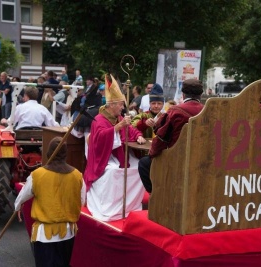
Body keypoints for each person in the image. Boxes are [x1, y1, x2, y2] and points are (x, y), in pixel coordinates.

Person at [15, 136, 86, 267]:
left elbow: (22, 197)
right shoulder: (77, 176)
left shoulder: (37, 175)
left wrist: (18, 207)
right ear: (65, 154)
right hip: (67, 233)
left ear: (49, 153)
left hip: (44, 235)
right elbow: (81, 201)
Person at [84, 74, 146, 221]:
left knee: (139, 168)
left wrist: (137, 135)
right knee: (113, 172)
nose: (123, 108)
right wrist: (117, 127)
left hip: (118, 155)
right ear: (111, 105)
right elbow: (98, 140)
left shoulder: (118, 118)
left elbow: (131, 130)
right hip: (104, 159)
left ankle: (130, 204)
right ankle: (110, 206)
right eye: (120, 105)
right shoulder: (99, 120)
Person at [138, 79, 204, 193]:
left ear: (183, 95)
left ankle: (157, 195)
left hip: (177, 158)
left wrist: (152, 154)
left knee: (144, 163)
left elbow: (161, 138)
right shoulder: (209, 110)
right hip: (202, 158)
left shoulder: (174, 111)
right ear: (200, 95)